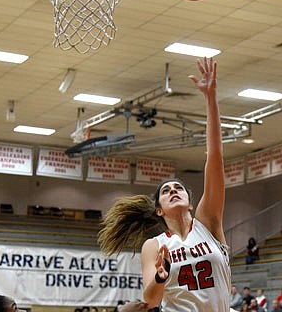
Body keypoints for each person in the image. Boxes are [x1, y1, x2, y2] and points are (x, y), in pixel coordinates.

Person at [98, 58, 230, 312]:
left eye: (178, 188)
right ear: (159, 209)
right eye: (166, 191)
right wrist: (160, 277)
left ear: (190, 202)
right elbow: (151, 300)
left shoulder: (209, 223)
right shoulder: (155, 245)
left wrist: (210, 98)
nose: (173, 191)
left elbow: (215, 158)